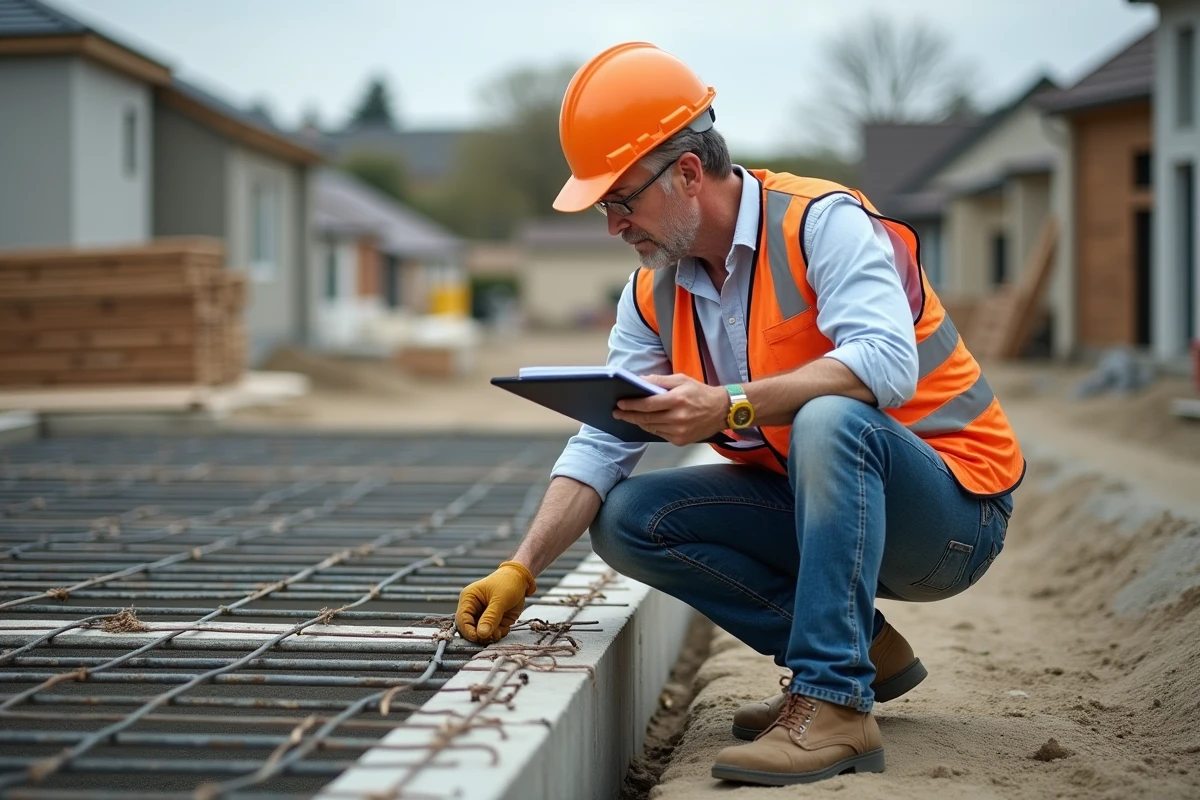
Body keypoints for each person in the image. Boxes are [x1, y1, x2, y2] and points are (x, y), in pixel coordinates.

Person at [455, 41, 1023, 786]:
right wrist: (520, 569)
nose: (613, 225)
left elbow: (885, 364)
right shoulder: (653, 292)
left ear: (688, 172)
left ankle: (834, 701)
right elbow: (603, 440)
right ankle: (860, 651)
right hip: (831, 510)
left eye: (621, 200)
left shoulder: (822, 222)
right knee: (629, 517)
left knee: (830, 418)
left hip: (953, 516)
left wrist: (731, 402)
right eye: (603, 207)